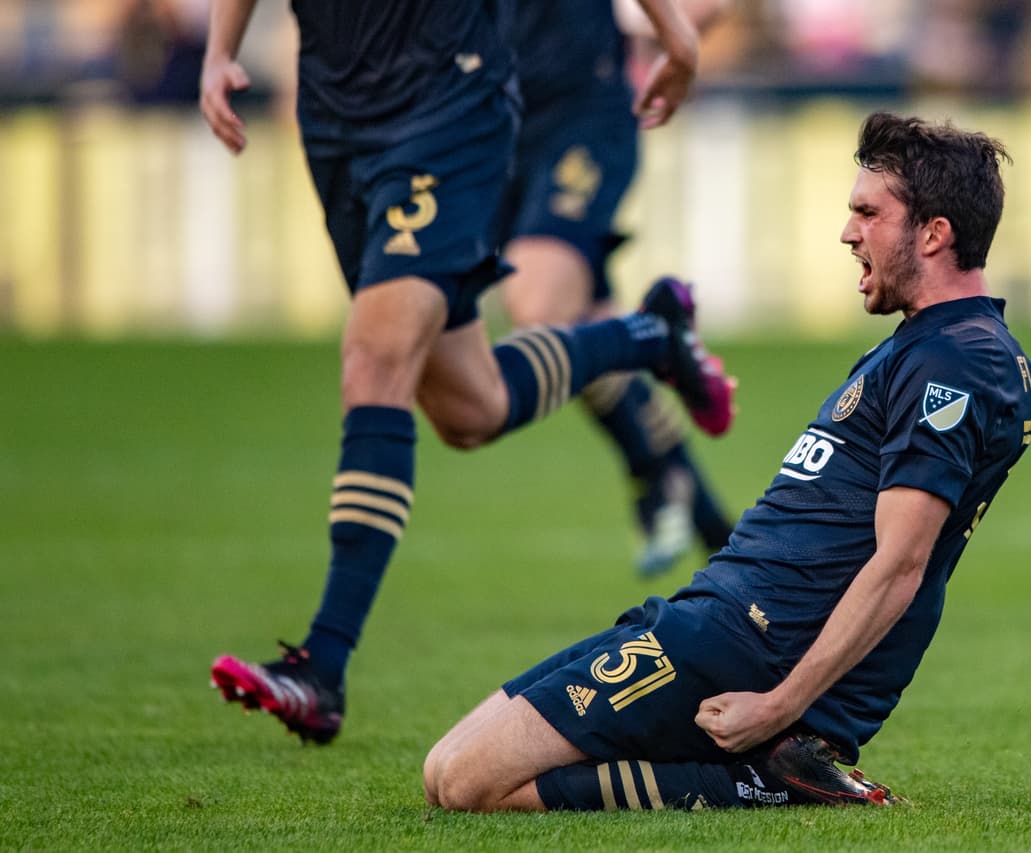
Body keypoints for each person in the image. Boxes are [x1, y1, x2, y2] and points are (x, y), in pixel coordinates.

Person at [421, 111, 1031, 811]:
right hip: (707, 617)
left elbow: (902, 565)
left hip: (746, 646)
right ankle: (773, 766)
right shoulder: (931, 345)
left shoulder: (955, 361)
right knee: (441, 769)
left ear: (934, 233)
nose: (847, 233)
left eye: (869, 214)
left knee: (469, 783)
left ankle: (765, 776)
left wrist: (779, 707)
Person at [200, 0, 735, 744]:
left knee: (381, 352)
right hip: (338, 110)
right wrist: (220, 48)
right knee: (468, 408)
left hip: (460, 100)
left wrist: (676, 33)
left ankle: (322, 665)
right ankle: (648, 336)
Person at [497, 0, 734, 577]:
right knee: (587, 333)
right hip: (494, 124)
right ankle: (721, 543)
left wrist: (653, 31)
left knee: (538, 313)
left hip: (582, 113)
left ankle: (657, 339)